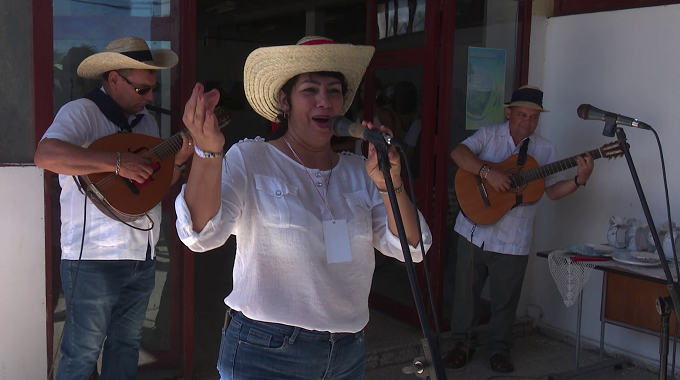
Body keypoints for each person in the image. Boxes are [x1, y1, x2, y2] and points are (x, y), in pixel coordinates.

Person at [175, 36, 432, 380]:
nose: (324, 101)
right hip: (266, 351)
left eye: (334, 91)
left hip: (348, 352)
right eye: (310, 90)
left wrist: (390, 183)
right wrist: (207, 153)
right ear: (285, 101)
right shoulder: (252, 158)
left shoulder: (361, 171)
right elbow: (200, 235)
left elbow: (413, 248)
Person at [34, 36, 192, 380]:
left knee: (126, 347)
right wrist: (116, 162)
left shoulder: (147, 124)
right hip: (93, 259)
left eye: (152, 89)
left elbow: (150, 191)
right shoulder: (81, 113)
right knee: (82, 354)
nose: (150, 98)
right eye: (141, 89)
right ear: (114, 79)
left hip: (142, 256)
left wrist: (178, 164)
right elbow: (45, 155)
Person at [444, 85, 595, 373]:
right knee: (466, 295)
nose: (528, 122)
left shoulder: (546, 149)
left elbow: (552, 191)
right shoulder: (489, 135)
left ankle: (500, 350)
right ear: (509, 112)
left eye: (534, 117)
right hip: (474, 231)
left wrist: (579, 179)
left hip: (514, 240)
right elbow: (458, 153)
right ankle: (461, 345)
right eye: (522, 114)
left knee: (505, 300)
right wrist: (487, 172)